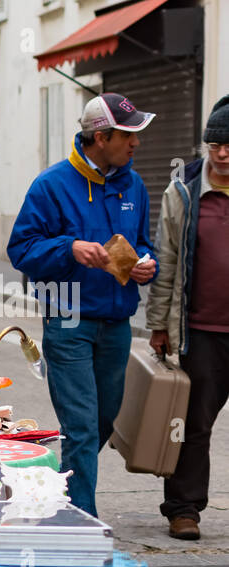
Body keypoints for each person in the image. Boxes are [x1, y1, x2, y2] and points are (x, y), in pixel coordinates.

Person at [8, 93, 159, 517]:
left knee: (102, 422)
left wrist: (149, 264)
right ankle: (83, 519)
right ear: (101, 136)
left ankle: (64, 493)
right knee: (82, 428)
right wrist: (69, 248)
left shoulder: (134, 185)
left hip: (116, 323)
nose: (136, 144)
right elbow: (21, 249)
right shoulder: (52, 185)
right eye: (127, 135)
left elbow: (145, 244)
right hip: (69, 318)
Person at [145, 95, 229, 541]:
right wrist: (159, 325)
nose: (222, 153)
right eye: (215, 144)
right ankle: (184, 509)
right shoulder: (183, 192)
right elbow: (167, 262)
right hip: (201, 332)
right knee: (193, 424)